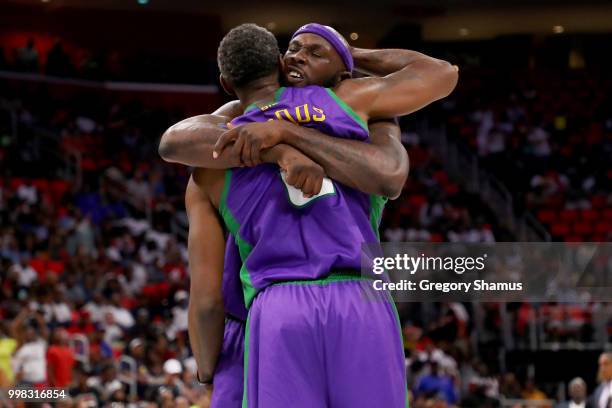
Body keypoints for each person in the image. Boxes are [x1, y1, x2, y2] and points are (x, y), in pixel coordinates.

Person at [181, 23, 456, 408]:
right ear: (279, 62)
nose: (300, 57)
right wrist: (348, 54)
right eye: (294, 50)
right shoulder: (353, 109)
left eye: (315, 52)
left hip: (276, 305)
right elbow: (442, 74)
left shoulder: (214, 152)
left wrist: (207, 369)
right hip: (361, 296)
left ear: (227, 83)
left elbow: (207, 299)